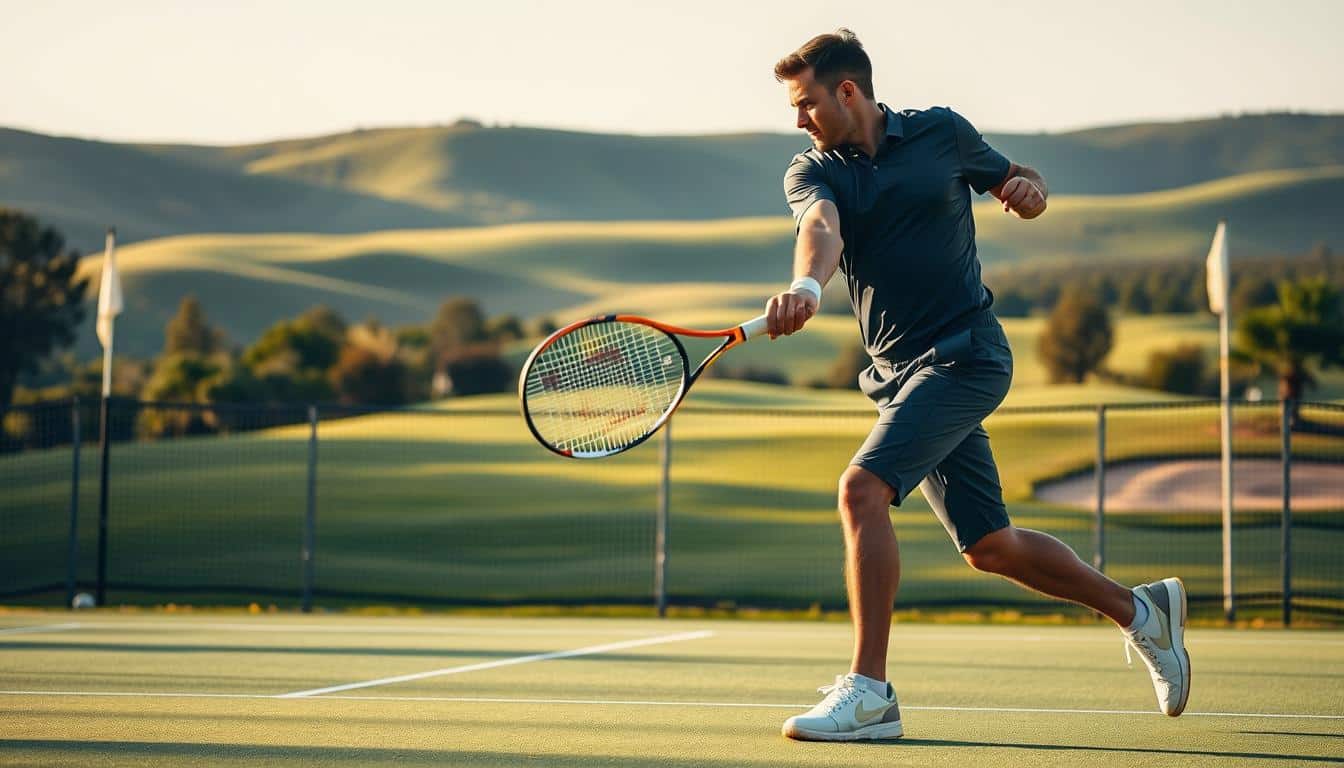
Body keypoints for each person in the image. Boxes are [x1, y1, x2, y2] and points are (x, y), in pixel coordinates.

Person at [762, 29, 1191, 742]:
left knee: (860, 489)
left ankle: (870, 694)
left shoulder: (941, 132)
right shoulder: (813, 170)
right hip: (900, 378)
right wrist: (806, 283)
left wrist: (1030, 192)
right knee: (989, 546)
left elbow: (1019, 181)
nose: (798, 119)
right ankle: (1142, 613)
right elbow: (820, 227)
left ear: (848, 91)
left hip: (967, 355)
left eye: (806, 103)